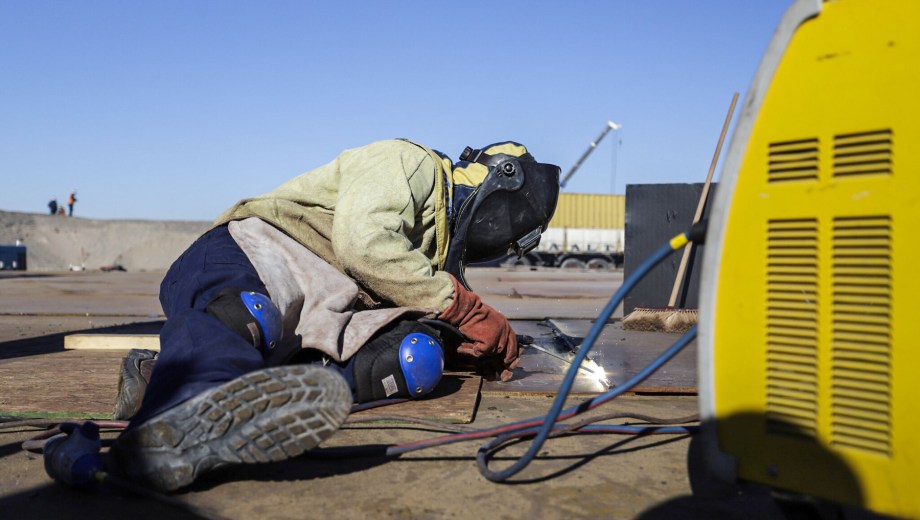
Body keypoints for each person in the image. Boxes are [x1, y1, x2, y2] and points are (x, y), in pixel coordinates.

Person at [107, 139, 560, 492]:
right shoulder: (410, 162)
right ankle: (182, 411)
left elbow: (407, 289)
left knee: (415, 356)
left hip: (327, 300)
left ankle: (183, 385)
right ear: (501, 182)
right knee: (248, 317)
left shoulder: (437, 252)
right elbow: (364, 244)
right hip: (260, 251)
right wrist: (461, 308)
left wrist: (457, 340)